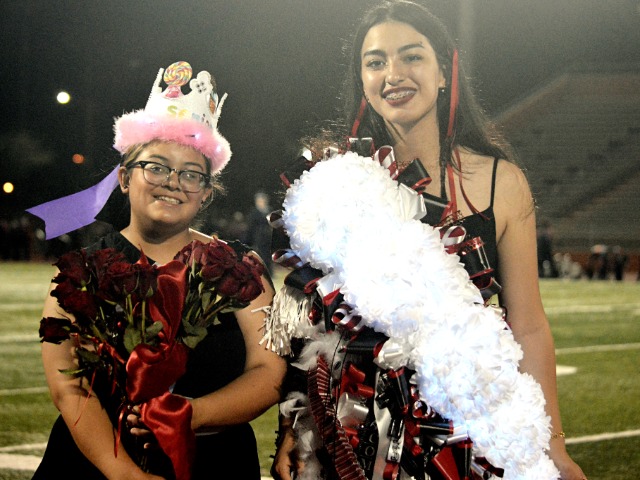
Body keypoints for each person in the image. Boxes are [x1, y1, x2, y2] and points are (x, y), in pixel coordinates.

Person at [267, 2, 586, 479]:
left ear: (443, 72)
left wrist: (553, 445)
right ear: (362, 82)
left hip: (459, 428)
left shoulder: (502, 183)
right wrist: (295, 428)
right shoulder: (333, 181)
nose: (393, 74)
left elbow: (529, 325)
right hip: (350, 430)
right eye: (375, 62)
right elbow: (309, 326)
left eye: (411, 56)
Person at [30, 61, 286, 479]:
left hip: (212, 463)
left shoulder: (242, 270)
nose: (172, 182)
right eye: (156, 166)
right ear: (124, 178)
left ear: (206, 194)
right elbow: (68, 386)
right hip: (94, 466)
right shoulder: (78, 274)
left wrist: (191, 414)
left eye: (191, 174)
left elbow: (270, 372)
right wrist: (124, 473)